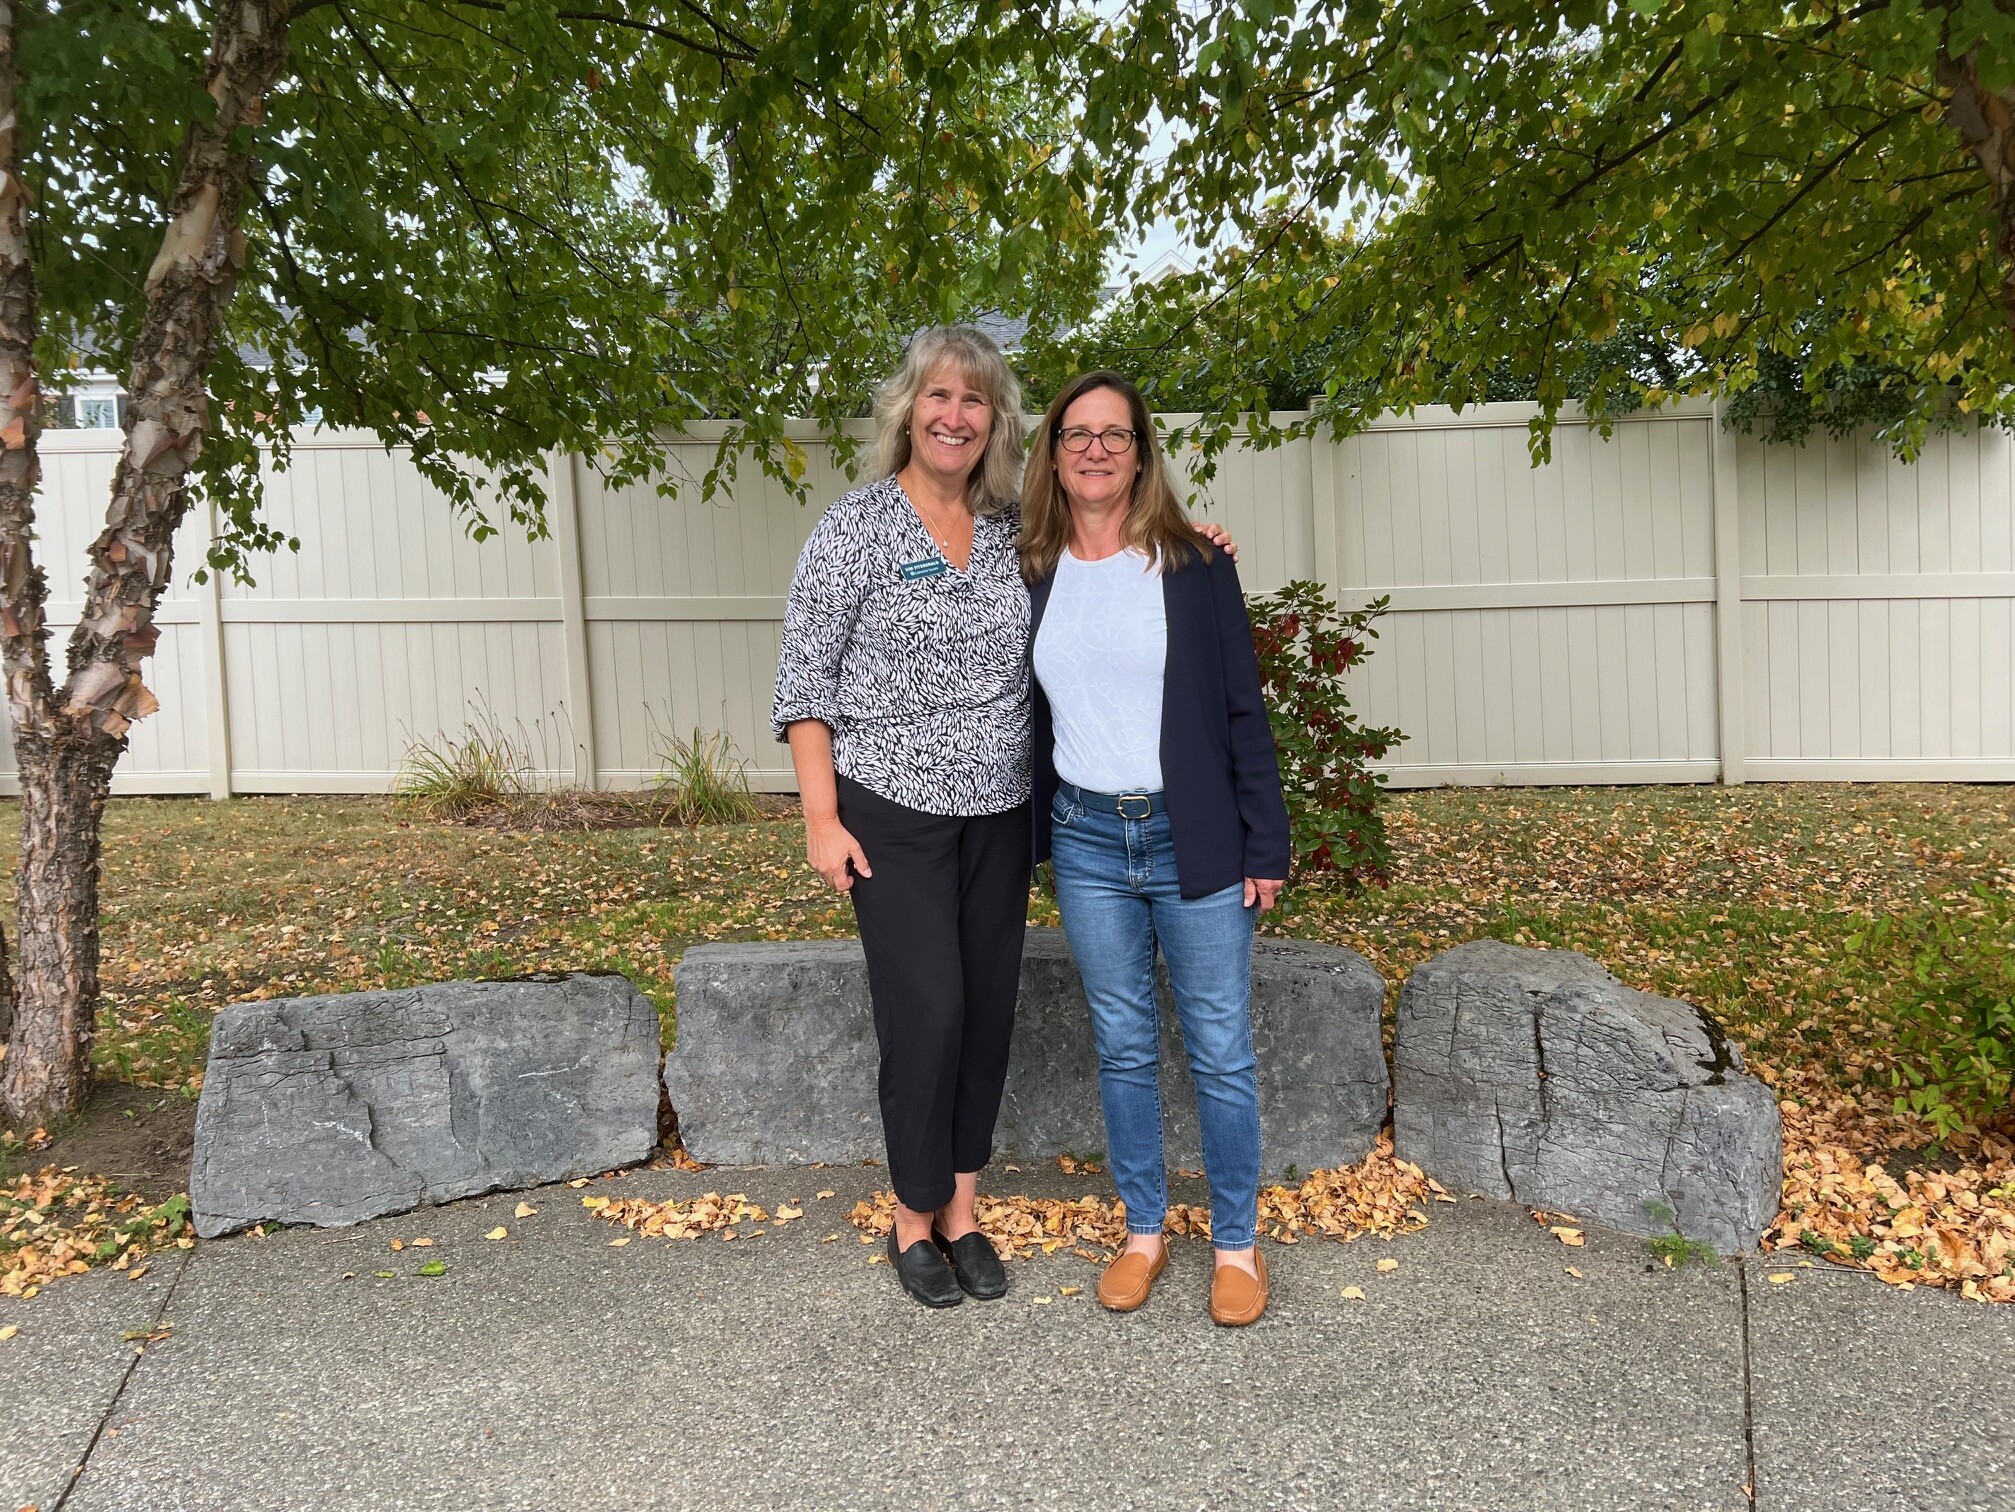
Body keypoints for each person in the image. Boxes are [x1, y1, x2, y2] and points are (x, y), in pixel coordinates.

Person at [773, 329, 1240, 1310]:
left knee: (986, 1015)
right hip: (889, 809)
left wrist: (1202, 556)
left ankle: (963, 1212)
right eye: (938, 397)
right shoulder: (852, 530)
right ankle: (910, 1215)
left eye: (974, 402)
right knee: (928, 1011)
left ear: (995, 423)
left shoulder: (1007, 537)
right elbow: (804, 682)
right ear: (908, 409)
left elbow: (1111, 586)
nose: (954, 416)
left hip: (1000, 811)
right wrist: (821, 815)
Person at [1021, 369, 1291, 1327]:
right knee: (1124, 1046)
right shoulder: (1030, 568)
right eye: (1077, 433)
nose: (1096, 448)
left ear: (1141, 452)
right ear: (1053, 452)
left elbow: (1241, 714)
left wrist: (1266, 844)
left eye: (1116, 433)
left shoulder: (1195, 565)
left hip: (1195, 837)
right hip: (1087, 840)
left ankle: (1234, 1243)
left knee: (1219, 1049)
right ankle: (1142, 1230)